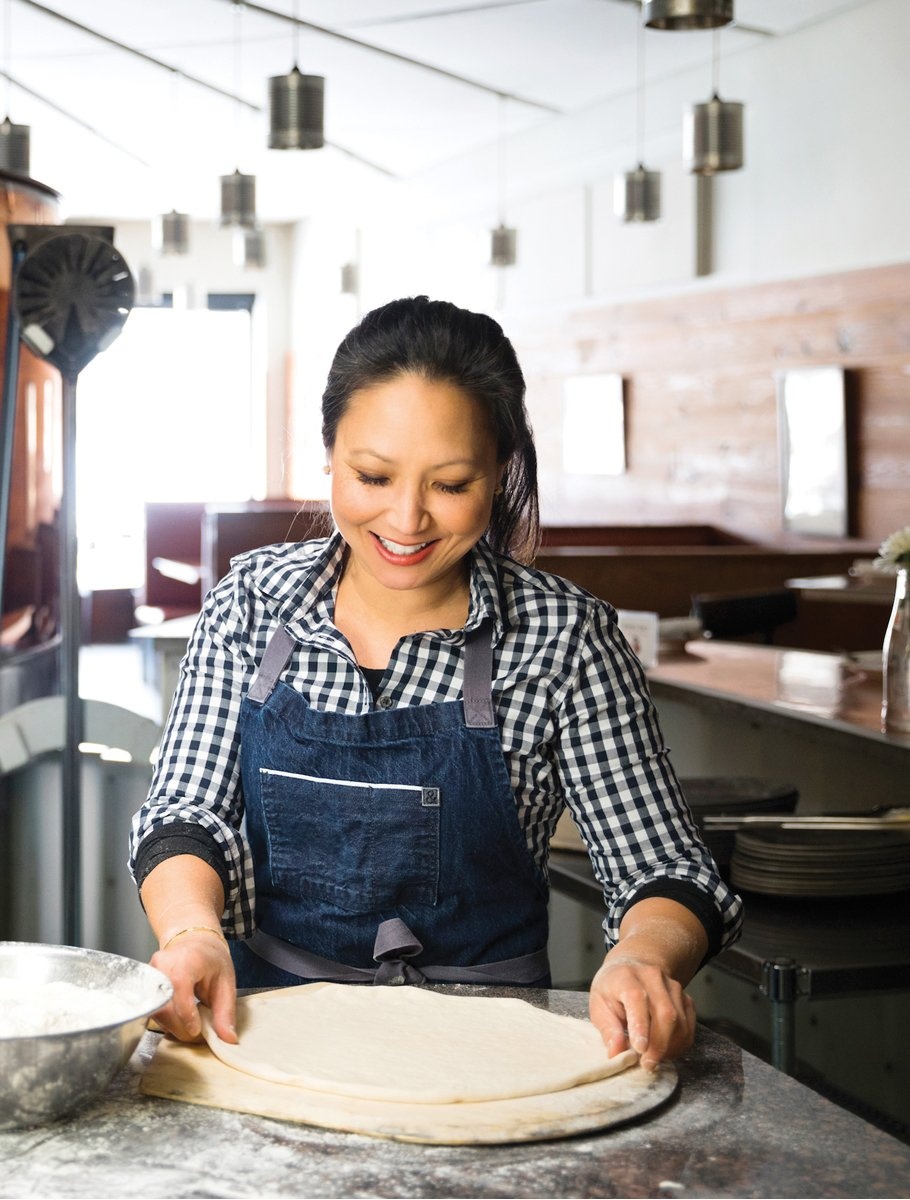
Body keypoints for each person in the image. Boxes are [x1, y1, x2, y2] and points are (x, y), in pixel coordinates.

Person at [130, 295, 742, 1070]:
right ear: (329, 455)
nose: (407, 519)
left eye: (450, 484)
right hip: (262, 1037)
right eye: (373, 476)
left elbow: (663, 866)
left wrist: (644, 956)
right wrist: (190, 934)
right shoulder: (252, 605)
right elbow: (185, 810)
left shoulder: (565, 636)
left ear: (500, 471)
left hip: (495, 1055)